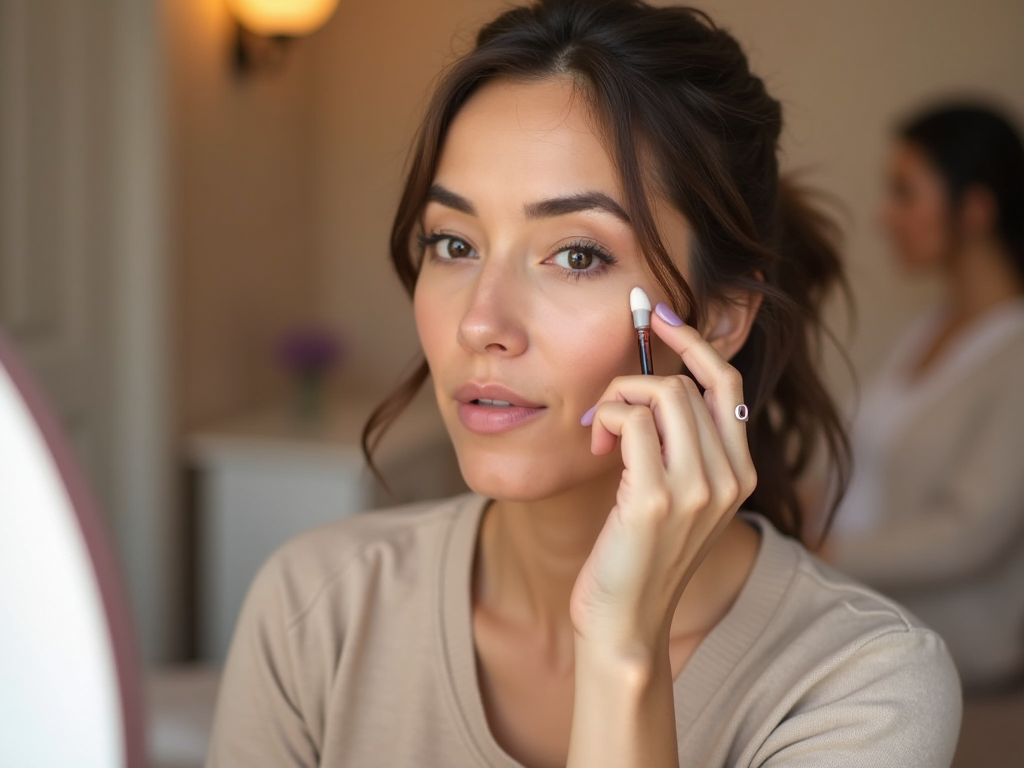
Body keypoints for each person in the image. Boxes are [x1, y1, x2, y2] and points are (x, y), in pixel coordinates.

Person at [207, 1, 961, 765]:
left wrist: (622, 650)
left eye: (575, 256)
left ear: (724, 317)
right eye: (454, 242)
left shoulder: (864, 688)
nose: (480, 322)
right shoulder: (319, 609)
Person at [829, 103, 1024, 690]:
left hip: (960, 671)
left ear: (977, 209)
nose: (886, 216)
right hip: (875, 639)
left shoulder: (1015, 351)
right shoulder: (929, 329)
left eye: (905, 193)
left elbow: (970, 532)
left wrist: (816, 551)